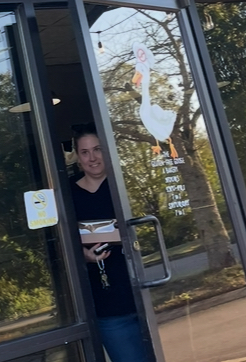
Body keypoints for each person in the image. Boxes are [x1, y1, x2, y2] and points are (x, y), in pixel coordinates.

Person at [71, 126, 151, 362]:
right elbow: (62, 239)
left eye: (97, 149)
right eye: (85, 152)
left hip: (146, 296)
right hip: (108, 306)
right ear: (78, 157)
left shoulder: (125, 184)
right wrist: (83, 255)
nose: (92, 157)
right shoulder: (67, 193)